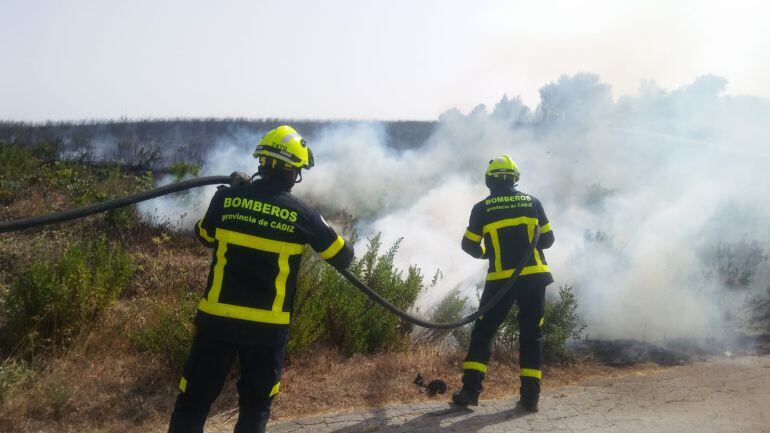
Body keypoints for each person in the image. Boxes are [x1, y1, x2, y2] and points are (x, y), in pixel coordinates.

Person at [168, 125, 354, 433]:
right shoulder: (302, 213)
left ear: (261, 162)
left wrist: (235, 192)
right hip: (267, 329)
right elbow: (343, 256)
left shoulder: (226, 200)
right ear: (294, 172)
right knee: (255, 407)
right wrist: (318, 222)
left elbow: (203, 235)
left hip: (217, 320)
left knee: (194, 400)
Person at [451, 155, 555, 413]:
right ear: (515, 179)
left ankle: (470, 392)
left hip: (500, 281)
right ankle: (530, 398)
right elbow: (548, 240)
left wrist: (486, 252)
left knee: (483, 333)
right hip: (534, 278)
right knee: (532, 336)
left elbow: (468, 245)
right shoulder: (533, 203)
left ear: (489, 181)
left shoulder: (482, 208)